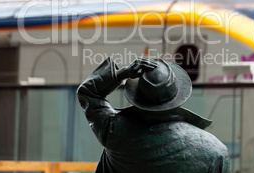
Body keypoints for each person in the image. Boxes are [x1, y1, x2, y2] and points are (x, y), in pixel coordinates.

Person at [77, 57, 230, 173]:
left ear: (137, 98)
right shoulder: (215, 151)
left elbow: (88, 92)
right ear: (177, 97)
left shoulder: (114, 131)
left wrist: (121, 74)